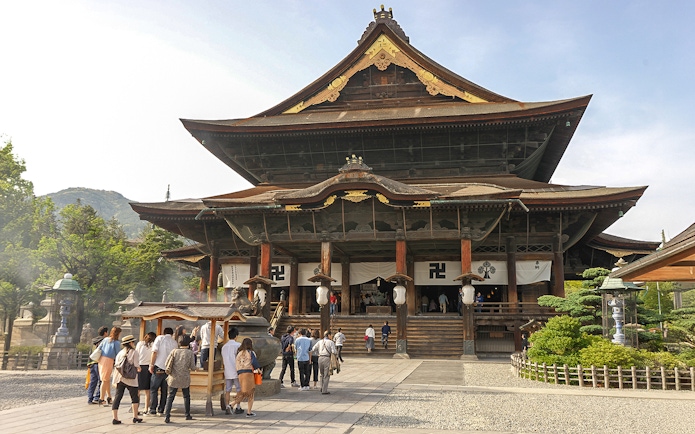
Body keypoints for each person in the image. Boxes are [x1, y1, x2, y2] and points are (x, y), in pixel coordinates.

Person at [163, 335, 196, 423]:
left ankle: (167, 415)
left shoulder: (174, 351)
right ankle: (187, 414)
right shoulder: (190, 353)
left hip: (173, 377)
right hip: (185, 377)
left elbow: (167, 363)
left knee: (170, 396)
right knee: (186, 396)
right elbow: (192, 367)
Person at [111, 335, 143, 424]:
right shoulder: (134, 352)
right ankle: (135, 416)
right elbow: (136, 365)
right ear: (130, 343)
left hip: (120, 378)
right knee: (134, 397)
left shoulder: (120, 353)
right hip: (131, 379)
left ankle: (115, 418)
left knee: (117, 397)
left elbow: (117, 365)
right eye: (133, 342)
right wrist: (139, 369)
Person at [149, 327, 177, 416]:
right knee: (164, 390)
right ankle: (161, 409)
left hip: (158, 366)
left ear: (163, 332)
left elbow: (154, 352)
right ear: (172, 334)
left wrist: (151, 364)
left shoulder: (160, 338)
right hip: (168, 369)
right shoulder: (174, 342)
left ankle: (153, 409)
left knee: (154, 389)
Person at [230, 338, 259, 417]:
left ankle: (233, 405)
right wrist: (259, 370)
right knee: (250, 393)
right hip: (248, 373)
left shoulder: (239, 353)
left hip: (240, 373)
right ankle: (248, 411)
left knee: (243, 391)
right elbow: (254, 363)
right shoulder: (250, 352)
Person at [221, 327, 244, 415]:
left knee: (228, 390)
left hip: (227, 370)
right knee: (239, 389)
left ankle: (227, 406)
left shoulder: (224, 347)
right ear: (236, 336)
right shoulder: (238, 345)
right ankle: (237, 406)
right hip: (236, 370)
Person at [98, 326, 122, 406]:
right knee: (105, 380)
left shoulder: (105, 339)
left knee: (106, 379)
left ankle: (109, 397)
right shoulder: (116, 342)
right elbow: (118, 354)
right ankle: (101, 398)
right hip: (109, 360)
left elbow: (99, 348)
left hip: (101, 359)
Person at [135, 331, 156, 413]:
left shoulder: (140, 344)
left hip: (140, 366)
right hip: (149, 367)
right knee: (147, 390)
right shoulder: (154, 345)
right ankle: (146, 408)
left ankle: (136, 407)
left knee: (137, 389)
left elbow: (136, 354)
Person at [87, 326, 108, 405]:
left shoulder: (93, 341)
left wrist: (88, 362)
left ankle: (90, 398)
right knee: (101, 381)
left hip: (92, 362)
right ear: (105, 333)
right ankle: (97, 397)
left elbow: (91, 352)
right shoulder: (104, 341)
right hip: (99, 362)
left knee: (93, 381)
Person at [312, 330, 337, 395]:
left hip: (320, 358)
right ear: (328, 335)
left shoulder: (320, 341)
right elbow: (334, 351)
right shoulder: (330, 342)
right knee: (326, 375)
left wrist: (317, 353)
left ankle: (321, 387)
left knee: (321, 374)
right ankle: (324, 390)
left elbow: (313, 348)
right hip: (326, 358)